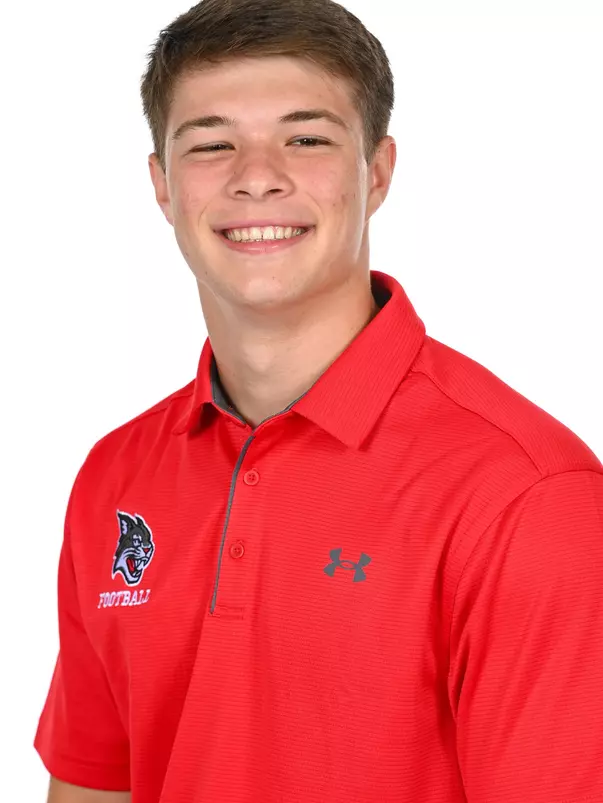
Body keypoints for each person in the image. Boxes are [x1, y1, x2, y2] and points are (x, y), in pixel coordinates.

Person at [34, 0, 603, 801]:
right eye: (211, 144)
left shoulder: (526, 495)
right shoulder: (115, 476)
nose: (256, 174)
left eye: (305, 139)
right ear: (161, 185)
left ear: (377, 172)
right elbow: (94, 784)